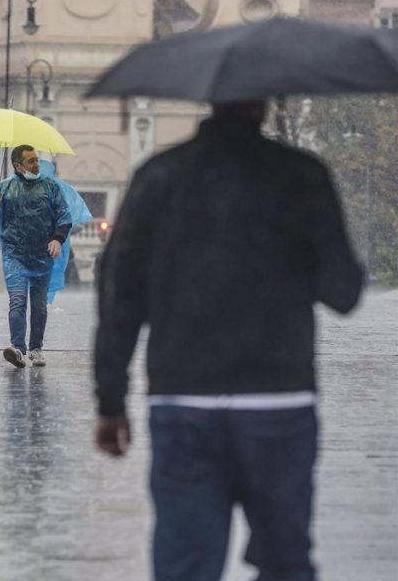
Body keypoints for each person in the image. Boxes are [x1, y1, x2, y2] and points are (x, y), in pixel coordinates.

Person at [93, 101, 363, 581]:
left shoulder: (159, 176)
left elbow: (120, 292)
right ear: (263, 103)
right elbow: (342, 292)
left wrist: (110, 400)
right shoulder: (301, 176)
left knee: (186, 567)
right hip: (279, 403)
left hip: (183, 400)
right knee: (285, 563)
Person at [0, 145, 72, 368]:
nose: (36, 164)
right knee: (18, 301)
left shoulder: (50, 187)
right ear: (17, 166)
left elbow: (64, 217)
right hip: (15, 255)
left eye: (36, 160)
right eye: (30, 161)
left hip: (42, 256)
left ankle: (36, 348)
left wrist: (57, 239)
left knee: (39, 306)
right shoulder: (4, 189)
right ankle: (18, 349)